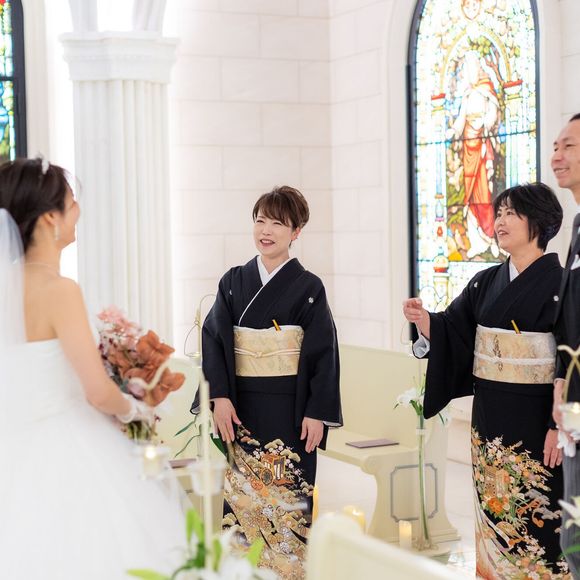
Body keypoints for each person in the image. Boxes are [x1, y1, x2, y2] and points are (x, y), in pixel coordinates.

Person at [0, 158, 183, 579]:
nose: (78, 209)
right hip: (65, 449)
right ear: (50, 218)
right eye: (71, 201)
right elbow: (97, 392)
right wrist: (135, 410)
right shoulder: (59, 290)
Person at [403, 183, 569, 578]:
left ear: (540, 223)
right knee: (494, 502)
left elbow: (572, 360)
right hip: (490, 415)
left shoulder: (565, 285)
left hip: (538, 420)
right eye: (500, 213)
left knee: (538, 509)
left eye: (512, 213)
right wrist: (424, 321)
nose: (500, 222)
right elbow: (453, 330)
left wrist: (559, 427)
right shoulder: (484, 281)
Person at [193, 185, 342, 579]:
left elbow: (324, 353)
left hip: (291, 412)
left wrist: (317, 412)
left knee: (288, 496)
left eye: (277, 223)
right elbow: (214, 339)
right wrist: (219, 397)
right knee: (244, 504)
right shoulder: (232, 282)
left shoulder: (309, 288)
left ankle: (288, 571)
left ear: (296, 232)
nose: (266, 230)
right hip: (242, 409)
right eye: (260, 221)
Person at [551, 113, 580, 577]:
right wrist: (561, 382)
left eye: (569, 146)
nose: (556, 156)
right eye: (556, 146)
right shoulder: (577, 223)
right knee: (573, 535)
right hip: (575, 402)